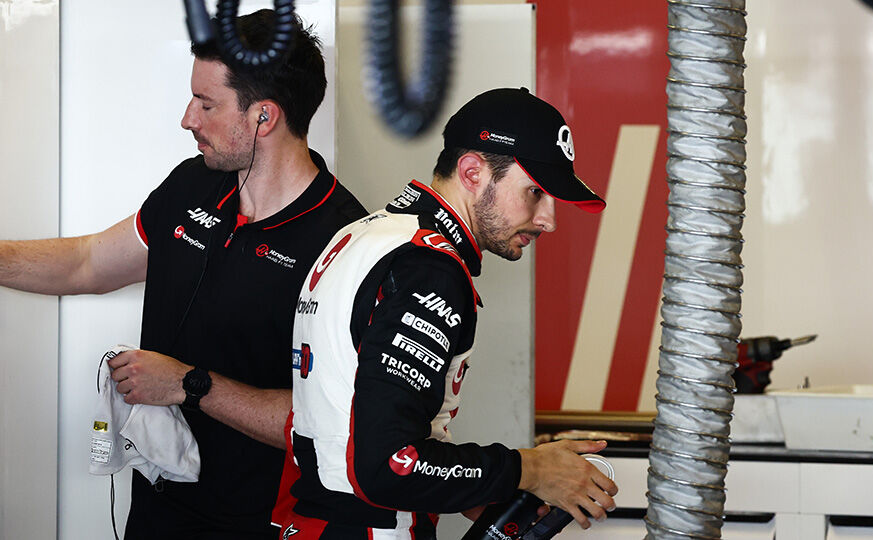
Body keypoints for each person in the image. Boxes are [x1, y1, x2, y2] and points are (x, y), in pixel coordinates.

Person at [0, 9, 366, 539]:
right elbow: (89, 263)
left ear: (264, 116)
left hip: (259, 518)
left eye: (207, 103)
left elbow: (332, 423)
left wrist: (190, 385)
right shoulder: (194, 184)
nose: (187, 118)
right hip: (159, 500)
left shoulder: (343, 242)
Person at [273, 88, 617, 539]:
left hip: (314, 520)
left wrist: (478, 492)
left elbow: (357, 425)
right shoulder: (428, 268)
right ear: (472, 172)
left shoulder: (369, 234)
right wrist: (527, 470)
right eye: (535, 192)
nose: (548, 219)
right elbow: (389, 465)